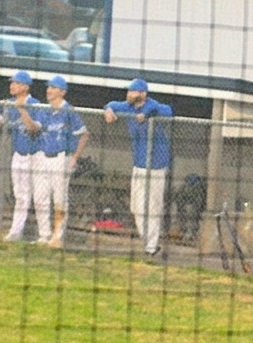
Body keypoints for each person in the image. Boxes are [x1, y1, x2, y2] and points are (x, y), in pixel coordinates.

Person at [103, 78, 173, 256]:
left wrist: (147, 114)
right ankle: (149, 243)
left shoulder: (153, 105)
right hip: (139, 163)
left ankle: (151, 246)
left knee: (153, 207)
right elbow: (111, 103)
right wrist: (108, 110)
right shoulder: (128, 107)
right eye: (128, 91)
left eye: (133, 92)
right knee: (136, 206)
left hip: (156, 164)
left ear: (142, 93)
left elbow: (166, 110)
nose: (129, 95)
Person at [32, 76, 88, 249]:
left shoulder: (68, 111)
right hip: (43, 156)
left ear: (62, 91)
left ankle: (57, 236)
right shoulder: (44, 110)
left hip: (61, 158)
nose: (49, 90)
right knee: (40, 197)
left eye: (53, 87)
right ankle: (44, 234)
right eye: (48, 87)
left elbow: (84, 134)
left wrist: (74, 158)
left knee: (59, 199)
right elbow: (35, 128)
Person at [1, 71, 42, 242]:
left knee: (35, 197)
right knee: (19, 194)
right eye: (12, 83)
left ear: (25, 87)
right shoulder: (9, 103)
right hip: (18, 153)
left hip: (34, 155)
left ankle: (33, 233)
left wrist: (22, 110)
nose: (12, 86)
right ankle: (16, 230)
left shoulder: (35, 103)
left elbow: (35, 128)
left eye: (16, 83)